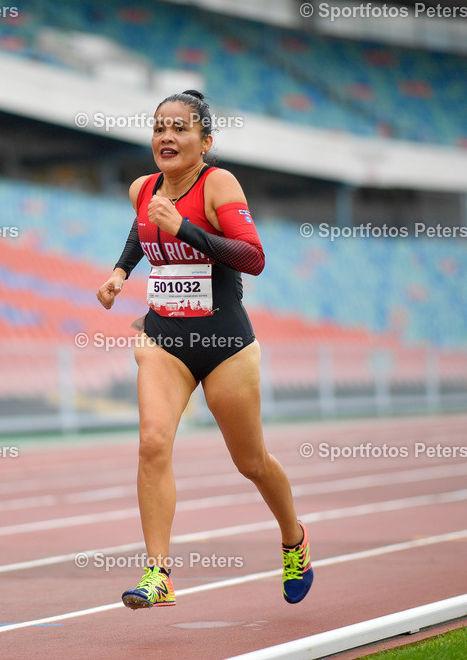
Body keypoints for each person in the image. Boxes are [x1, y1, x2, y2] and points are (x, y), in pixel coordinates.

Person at [96, 90, 312, 609]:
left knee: (252, 461)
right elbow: (142, 226)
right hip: (163, 337)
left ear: (205, 141)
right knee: (151, 443)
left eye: (180, 128)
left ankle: (294, 540)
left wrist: (187, 230)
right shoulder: (141, 189)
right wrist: (121, 271)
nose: (166, 137)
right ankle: (159, 573)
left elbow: (253, 258)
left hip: (224, 344)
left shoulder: (219, 184)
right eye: (158, 128)